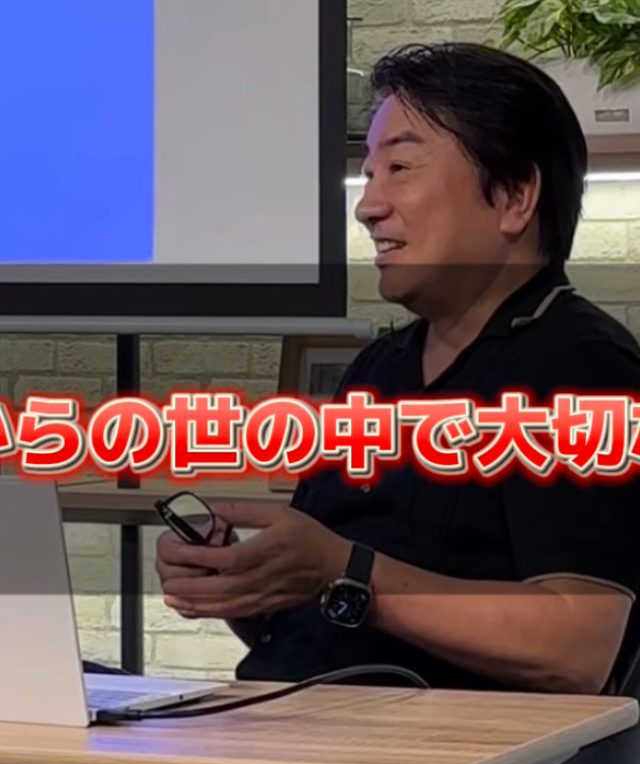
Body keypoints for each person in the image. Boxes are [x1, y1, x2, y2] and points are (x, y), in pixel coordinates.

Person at [155, 43, 640, 694]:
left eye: (401, 168)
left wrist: (347, 570)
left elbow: (576, 647)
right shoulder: (377, 368)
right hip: (286, 720)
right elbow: (325, 620)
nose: (367, 206)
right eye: (369, 173)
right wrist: (246, 581)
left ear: (514, 196)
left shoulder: (581, 366)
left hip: (444, 754)